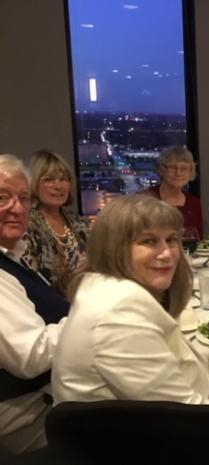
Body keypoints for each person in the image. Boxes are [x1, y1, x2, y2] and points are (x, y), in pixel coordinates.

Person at [52, 195, 209, 465]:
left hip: (136, 431)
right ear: (115, 248)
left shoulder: (104, 288)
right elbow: (180, 412)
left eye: (171, 239)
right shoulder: (120, 312)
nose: (167, 253)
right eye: (148, 241)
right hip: (142, 448)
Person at [0, 154, 69, 454]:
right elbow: (30, 356)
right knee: (144, 422)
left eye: (23, 198)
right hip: (25, 413)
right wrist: (89, 316)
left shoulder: (13, 256)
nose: (16, 208)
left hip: (47, 389)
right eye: (3, 197)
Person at [23, 150, 90, 292]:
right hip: (49, 306)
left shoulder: (81, 223)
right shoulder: (26, 225)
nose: (58, 186)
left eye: (63, 179)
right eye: (49, 179)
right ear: (34, 183)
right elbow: (33, 281)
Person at [144, 145, 204, 239]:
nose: (178, 173)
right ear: (162, 169)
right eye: (172, 167)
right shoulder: (145, 200)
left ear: (191, 172)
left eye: (184, 168)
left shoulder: (194, 203)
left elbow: (198, 240)